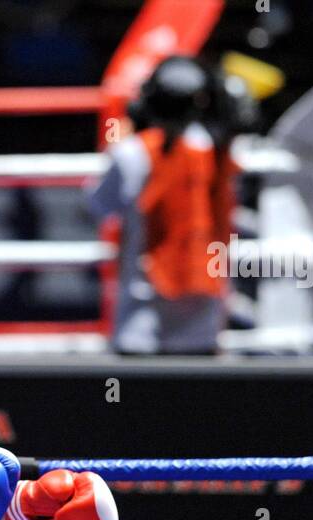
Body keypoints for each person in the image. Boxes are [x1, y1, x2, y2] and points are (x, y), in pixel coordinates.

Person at [88, 55, 238, 355]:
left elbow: (100, 206)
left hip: (141, 321)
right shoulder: (218, 150)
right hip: (201, 324)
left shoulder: (130, 153)